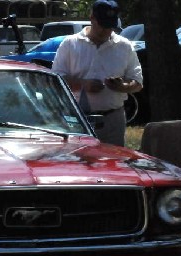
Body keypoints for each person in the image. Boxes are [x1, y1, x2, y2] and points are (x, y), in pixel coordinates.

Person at [51, 0, 143, 147]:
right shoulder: (70, 44)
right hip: (78, 119)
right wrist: (83, 84)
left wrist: (123, 86)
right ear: (92, 18)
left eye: (110, 26)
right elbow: (55, 81)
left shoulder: (124, 46)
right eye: (102, 25)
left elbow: (137, 83)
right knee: (79, 164)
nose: (106, 31)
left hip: (113, 119)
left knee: (114, 164)